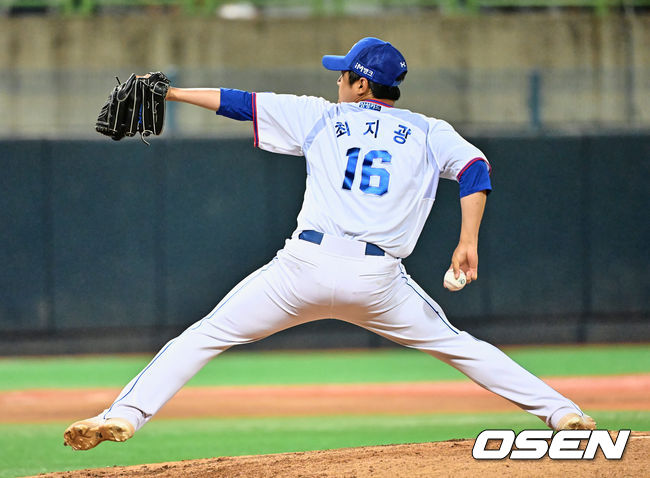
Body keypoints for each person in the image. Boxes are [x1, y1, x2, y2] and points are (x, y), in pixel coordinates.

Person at [64, 37, 595, 451]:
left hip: (303, 268)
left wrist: (172, 93)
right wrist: (467, 243)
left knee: (203, 337)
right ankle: (561, 413)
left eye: (343, 74)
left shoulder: (322, 117)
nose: (337, 80)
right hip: (378, 281)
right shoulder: (430, 130)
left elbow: (237, 104)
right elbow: (477, 170)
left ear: (362, 86)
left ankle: (122, 416)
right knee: (460, 346)